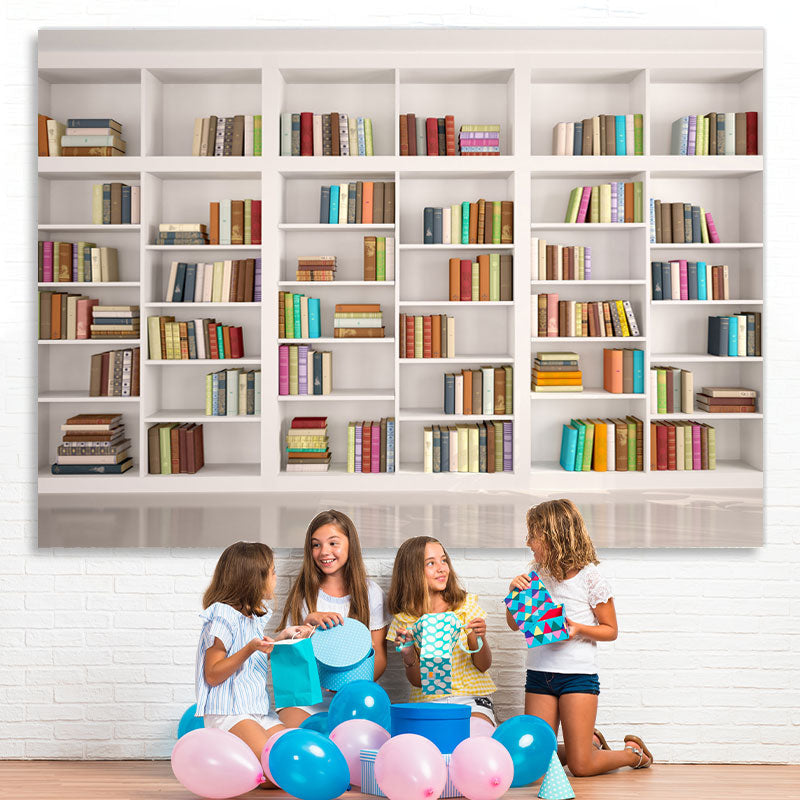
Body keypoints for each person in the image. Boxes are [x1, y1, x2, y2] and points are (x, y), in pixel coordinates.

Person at [507, 499, 653, 776]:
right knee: (536, 759)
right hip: (539, 675)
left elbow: (610, 630)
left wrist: (578, 629)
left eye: (533, 536)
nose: (528, 542)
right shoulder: (536, 574)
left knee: (580, 766)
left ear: (553, 538)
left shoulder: (591, 578)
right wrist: (514, 593)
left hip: (577, 677)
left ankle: (633, 755)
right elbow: (515, 625)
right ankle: (590, 744)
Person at [195, 541, 313, 780]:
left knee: (296, 758)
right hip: (230, 712)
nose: (276, 578)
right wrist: (250, 648)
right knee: (276, 771)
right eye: (273, 572)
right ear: (253, 578)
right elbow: (213, 674)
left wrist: (282, 638)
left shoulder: (252, 617)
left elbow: (253, 655)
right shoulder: (224, 615)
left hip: (257, 711)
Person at [277, 509, 390, 727]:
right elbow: (290, 661)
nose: (323, 552)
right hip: (306, 697)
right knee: (293, 736)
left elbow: (380, 658)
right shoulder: (304, 594)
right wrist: (306, 628)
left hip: (354, 695)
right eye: (316, 544)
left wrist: (347, 686)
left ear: (350, 545)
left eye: (333, 543)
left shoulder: (371, 593)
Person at [387, 536, 496, 726]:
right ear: (412, 572)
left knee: (475, 737)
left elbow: (483, 665)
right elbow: (418, 682)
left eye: (443, 560)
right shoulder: (405, 620)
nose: (441, 568)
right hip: (429, 702)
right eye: (431, 563)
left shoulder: (465, 606)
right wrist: (408, 655)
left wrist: (479, 638)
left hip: (471, 700)